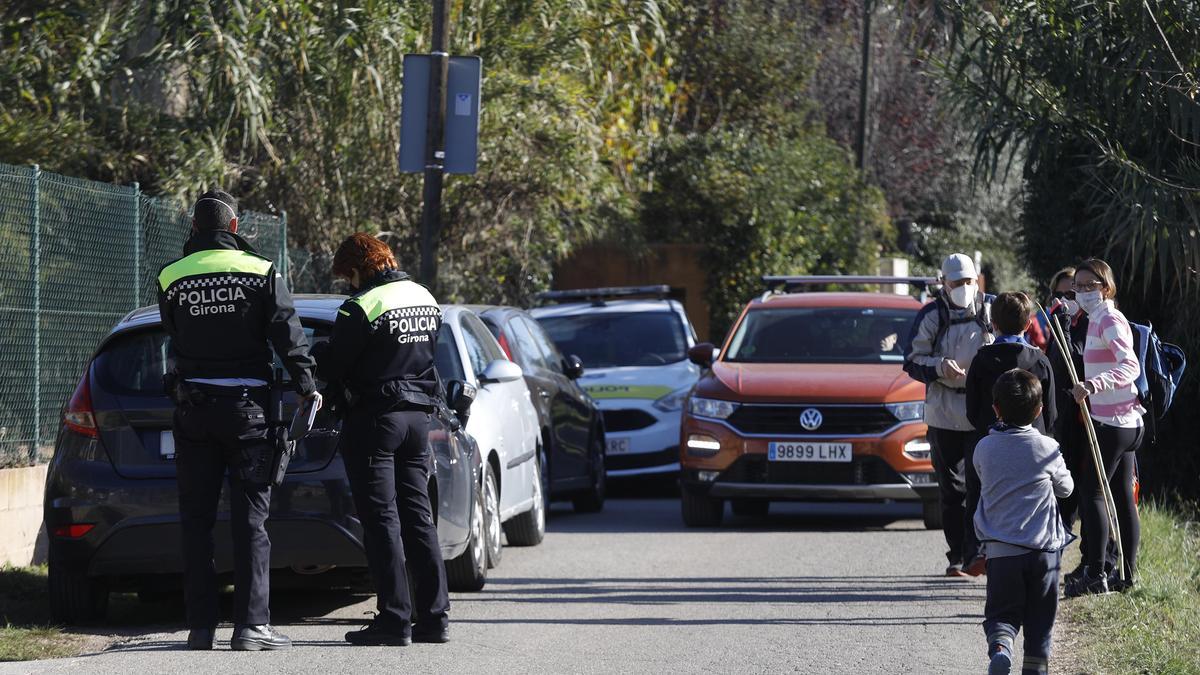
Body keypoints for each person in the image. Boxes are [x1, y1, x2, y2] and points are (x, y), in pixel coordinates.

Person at [157, 190, 320, 651]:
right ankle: (252, 627)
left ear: (193, 229)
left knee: (196, 520)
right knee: (251, 520)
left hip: (193, 411)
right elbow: (288, 335)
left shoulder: (171, 275)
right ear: (233, 228)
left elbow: (174, 334)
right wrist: (308, 386)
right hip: (248, 412)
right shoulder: (262, 271)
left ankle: (200, 628)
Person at [313, 233, 450, 645]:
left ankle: (393, 619)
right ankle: (434, 618)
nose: (348, 283)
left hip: (376, 420)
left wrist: (318, 353)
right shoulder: (424, 296)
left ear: (357, 268)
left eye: (348, 275)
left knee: (381, 522)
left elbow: (336, 366)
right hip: (417, 420)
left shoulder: (362, 306)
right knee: (419, 519)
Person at [974, 369, 1074, 675]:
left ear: (996, 409)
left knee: (1002, 614)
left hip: (1002, 551)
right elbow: (1066, 488)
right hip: (1044, 551)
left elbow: (983, 477)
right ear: (1040, 410)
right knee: (1040, 622)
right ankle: (1035, 669)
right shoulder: (1046, 448)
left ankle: (1002, 648)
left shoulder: (984, 448)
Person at [904, 253, 995, 576]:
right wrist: (940, 366)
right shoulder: (931, 316)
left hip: (980, 412)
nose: (963, 288)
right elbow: (913, 360)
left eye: (968, 282)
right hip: (943, 412)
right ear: (943, 283)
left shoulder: (990, 309)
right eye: (956, 283)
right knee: (951, 490)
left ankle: (977, 553)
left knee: (980, 485)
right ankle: (956, 554)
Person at [1064, 258, 1143, 596]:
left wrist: (1093, 386)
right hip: (1125, 421)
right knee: (1123, 498)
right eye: (1078, 286)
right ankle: (1127, 575)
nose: (1082, 291)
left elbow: (1131, 365)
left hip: (1113, 422)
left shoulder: (1108, 318)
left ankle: (1096, 575)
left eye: (1089, 285)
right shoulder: (1095, 318)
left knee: (1092, 493)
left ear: (1106, 288)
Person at [963, 291, 1057, 576]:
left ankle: (978, 550)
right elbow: (1051, 412)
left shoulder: (981, 360)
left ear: (993, 323)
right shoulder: (1039, 361)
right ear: (1029, 324)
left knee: (979, 494)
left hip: (989, 441)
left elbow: (971, 409)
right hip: (1031, 444)